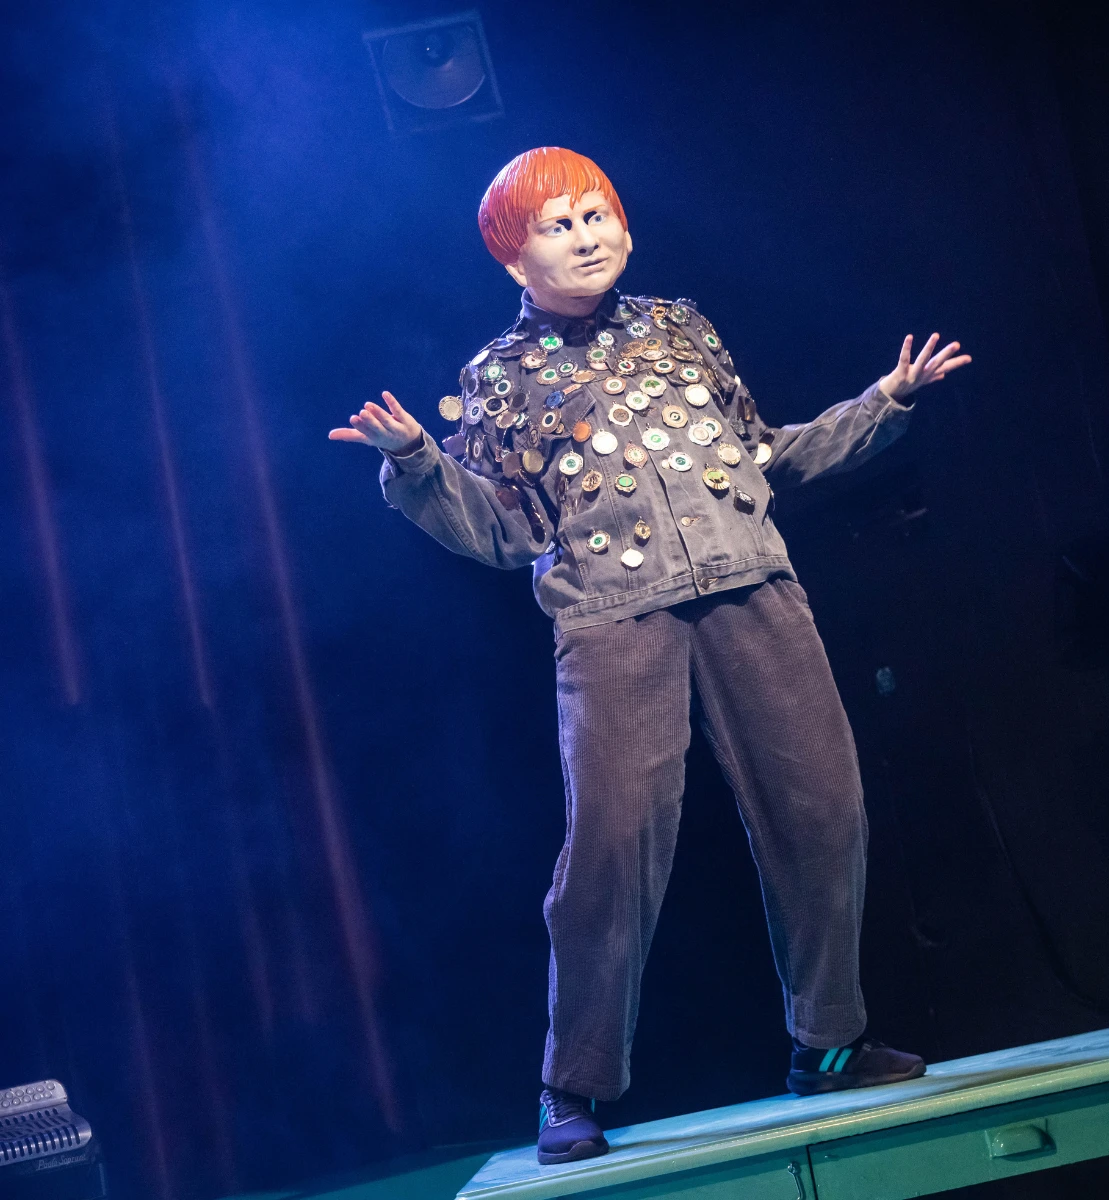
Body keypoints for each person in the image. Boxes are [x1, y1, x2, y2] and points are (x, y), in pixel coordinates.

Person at [330, 147, 969, 1165]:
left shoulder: (681, 328)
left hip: (750, 583)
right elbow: (499, 529)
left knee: (824, 809)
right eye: (557, 224)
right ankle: (571, 1084)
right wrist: (416, 465)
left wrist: (880, 404)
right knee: (614, 845)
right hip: (611, 616)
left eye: (596, 215)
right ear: (512, 259)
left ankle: (827, 1042)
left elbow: (764, 452)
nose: (585, 235)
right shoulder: (498, 377)